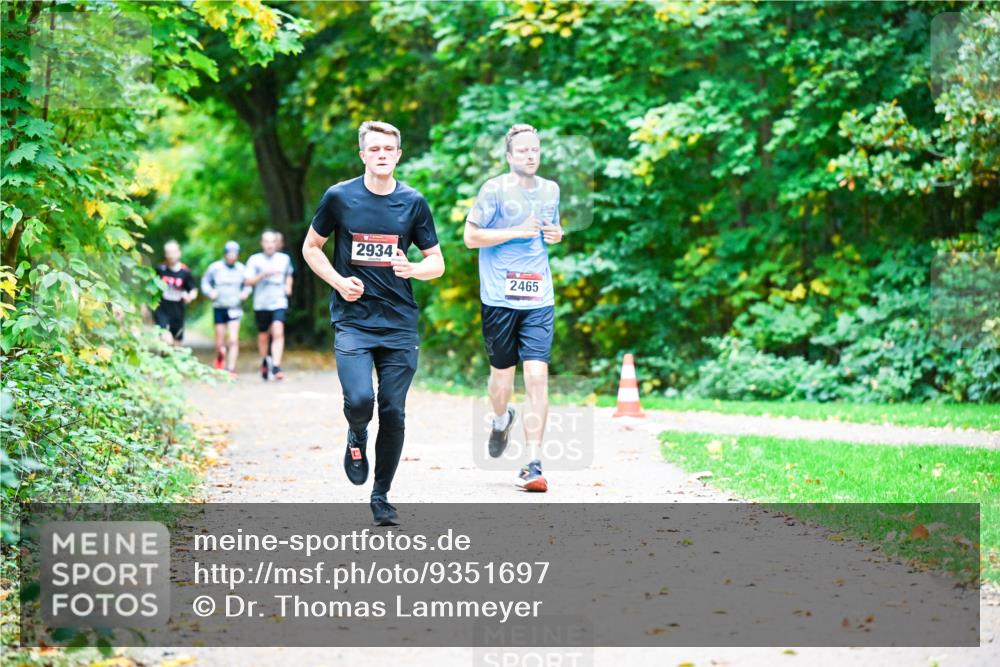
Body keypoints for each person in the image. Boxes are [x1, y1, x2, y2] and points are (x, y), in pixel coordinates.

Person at [302, 120, 444, 526]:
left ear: (398, 155)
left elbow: (437, 263)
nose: (382, 154)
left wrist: (412, 268)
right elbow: (311, 248)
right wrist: (337, 281)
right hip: (354, 320)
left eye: (389, 149)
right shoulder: (340, 197)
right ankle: (357, 434)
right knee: (361, 400)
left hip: (399, 322)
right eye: (374, 149)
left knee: (394, 411)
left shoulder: (413, 202)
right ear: (363, 154)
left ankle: (381, 495)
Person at [463, 124, 563, 492]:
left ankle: (533, 463)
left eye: (535, 149)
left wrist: (557, 234)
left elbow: (551, 228)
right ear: (509, 157)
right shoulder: (494, 190)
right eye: (522, 150)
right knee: (501, 381)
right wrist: (516, 231)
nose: (530, 155)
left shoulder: (551, 189)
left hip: (538, 298)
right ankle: (501, 418)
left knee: (537, 376)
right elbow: (470, 237)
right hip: (499, 298)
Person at [244, 231, 294, 381]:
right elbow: (247, 281)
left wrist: (288, 286)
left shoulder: (284, 259)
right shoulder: (254, 260)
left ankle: (277, 366)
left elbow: (289, 274)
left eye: (272, 241)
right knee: (264, 336)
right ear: (262, 243)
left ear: (276, 243)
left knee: (278, 331)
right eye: (267, 241)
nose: (270, 244)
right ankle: (265, 360)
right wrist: (263, 274)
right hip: (261, 303)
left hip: (279, 301)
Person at [201, 241, 251, 376]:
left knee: (233, 339)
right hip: (219, 306)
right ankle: (219, 358)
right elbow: (205, 282)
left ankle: (231, 368)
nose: (232, 256)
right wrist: (210, 292)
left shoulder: (242, 269)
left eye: (235, 254)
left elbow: (248, 284)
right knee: (220, 341)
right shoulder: (215, 268)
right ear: (225, 254)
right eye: (229, 253)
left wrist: (245, 292)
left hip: (235, 307)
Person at [153, 240, 198, 346]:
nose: (171, 256)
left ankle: (169, 361)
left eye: (173, 252)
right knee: (166, 340)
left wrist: (190, 297)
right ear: (165, 254)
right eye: (168, 253)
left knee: (177, 345)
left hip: (178, 311)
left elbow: (193, 289)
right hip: (161, 310)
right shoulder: (160, 269)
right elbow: (151, 288)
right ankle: (164, 359)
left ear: (179, 253)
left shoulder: (185, 272)